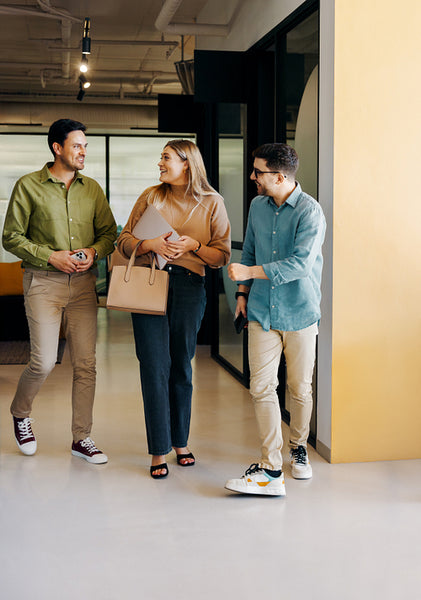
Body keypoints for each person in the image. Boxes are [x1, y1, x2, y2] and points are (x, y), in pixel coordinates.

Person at [2, 118, 117, 463]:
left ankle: (82, 438)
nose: (83, 152)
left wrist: (94, 252)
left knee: (86, 365)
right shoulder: (28, 186)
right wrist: (50, 255)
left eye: (85, 146)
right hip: (42, 283)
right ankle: (21, 413)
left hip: (83, 286)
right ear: (57, 148)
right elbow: (10, 237)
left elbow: (109, 234)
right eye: (77, 145)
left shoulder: (92, 189)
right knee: (42, 361)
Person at [117, 139, 230, 479]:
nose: (160, 164)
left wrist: (194, 246)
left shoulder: (213, 202)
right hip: (149, 282)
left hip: (188, 287)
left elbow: (222, 256)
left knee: (181, 364)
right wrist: (147, 244)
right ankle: (158, 449)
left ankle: (180, 441)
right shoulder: (151, 196)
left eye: (166, 158)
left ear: (187, 162)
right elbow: (122, 241)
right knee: (154, 365)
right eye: (160, 158)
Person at [224, 143, 326, 497]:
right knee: (261, 387)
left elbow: (299, 265)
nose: (253, 177)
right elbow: (249, 248)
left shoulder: (311, 213)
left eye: (258, 172)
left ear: (280, 176)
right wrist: (242, 293)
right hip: (261, 311)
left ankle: (298, 446)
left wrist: (250, 271)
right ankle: (270, 464)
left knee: (299, 389)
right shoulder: (257, 206)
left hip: (299, 312)